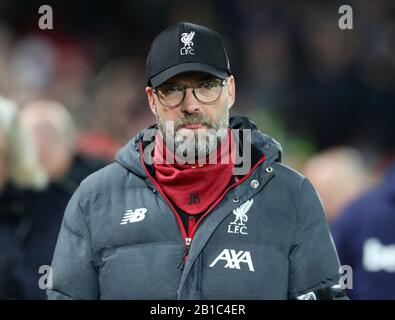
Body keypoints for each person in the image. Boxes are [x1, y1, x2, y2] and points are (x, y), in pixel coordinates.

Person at [48, 22, 346, 300]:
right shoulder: (95, 199)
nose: (190, 105)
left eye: (206, 86)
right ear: (152, 100)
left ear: (229, 91)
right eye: (172, 90)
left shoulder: (293, 196)